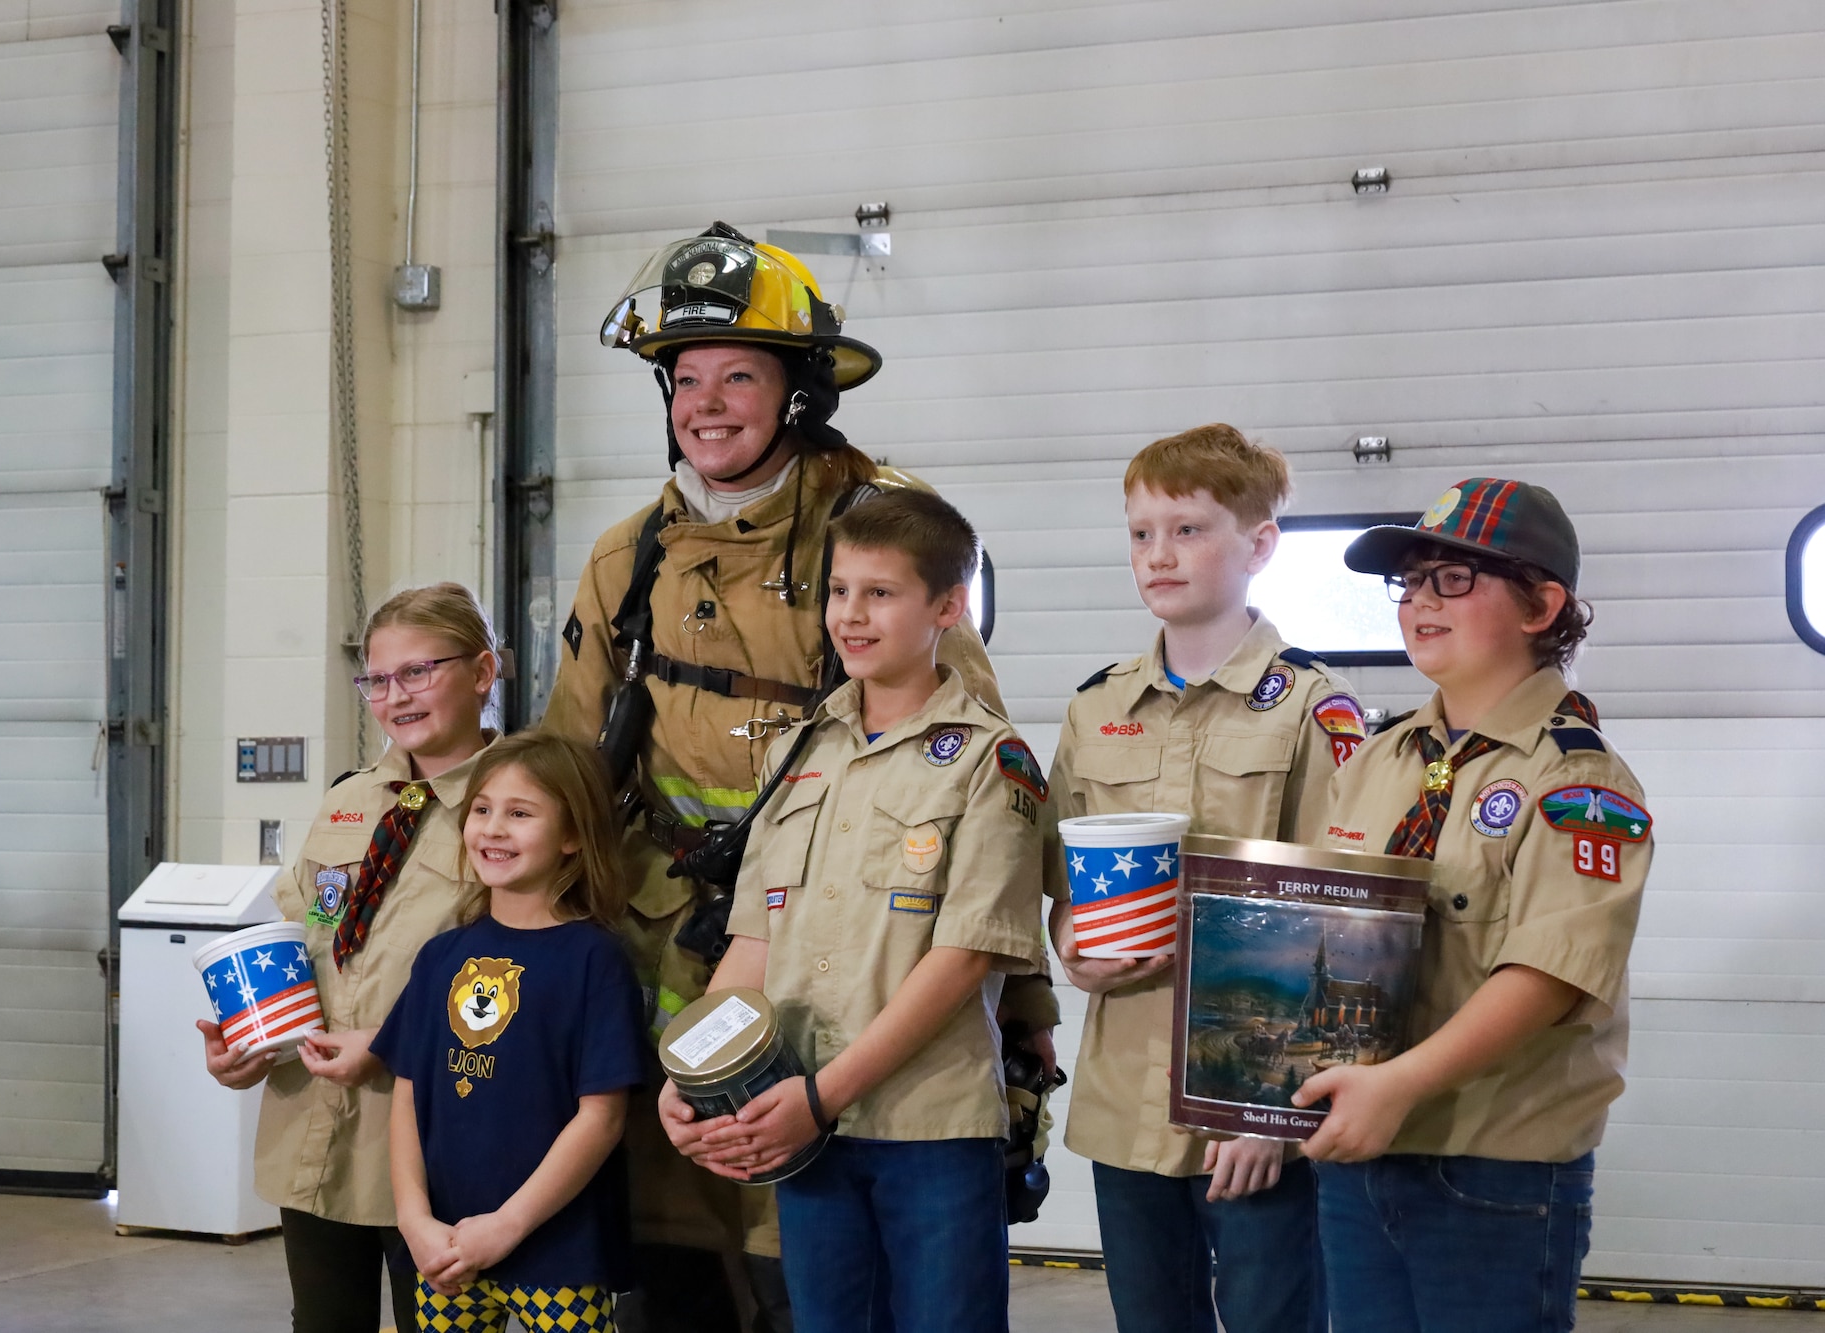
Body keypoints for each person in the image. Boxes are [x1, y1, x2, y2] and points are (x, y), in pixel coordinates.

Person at [546, 222, 1049, 1331]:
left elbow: (975, 788)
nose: (707, 402)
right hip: (673, 957)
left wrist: (1025, 1016)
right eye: (685, 378)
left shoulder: (876, 540)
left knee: (815, 1269)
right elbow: (562, 780)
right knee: (676, 1243)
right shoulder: (625, 558)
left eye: (738, 374)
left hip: (857, 972)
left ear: (798, 393)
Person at [661, 490, 1046, 1332]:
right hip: (807, 1131)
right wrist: (689, 1077)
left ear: (948, 606)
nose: (851, 615)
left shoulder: (991, 761)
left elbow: (964, 958)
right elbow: (756, 941)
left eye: (881, 592)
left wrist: (822, 1095)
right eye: (839, 590)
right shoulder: (803, 750)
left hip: (929, 1134)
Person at [1295, 478, 1652, 1332]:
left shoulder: (1576, 778)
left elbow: (1551, 973)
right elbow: (1322, 928)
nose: (1419, 600)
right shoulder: (1379, 760)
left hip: (1492, 1166)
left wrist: (1400, 1083)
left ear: (1541, 605)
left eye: (1453, 578)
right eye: (1409, 581)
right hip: (1362, 1149)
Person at [1043, 425, 1348, 1333]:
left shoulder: (1309, 707)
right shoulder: (1099, 707)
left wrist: (1270, 1113)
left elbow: (1337, 918)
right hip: (1125, 1096)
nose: (1158, 554)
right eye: (1141, 533)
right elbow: (1065, 888)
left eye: (1187, 529)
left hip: (1249, 1106)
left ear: (1258, 545)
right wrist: (1074, 951)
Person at [198, 583, 501, 1333]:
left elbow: (527, 975)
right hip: (318, 1127)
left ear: (484, 671)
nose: (396, 696)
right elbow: (306, 931)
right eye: (377, 679)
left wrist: (396, 1042)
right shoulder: (349, 803)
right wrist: (252, 1040)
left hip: (438, 1134)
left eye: (420, 671)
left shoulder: (515, 802)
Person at [373, 731, 645, 1332]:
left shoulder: (594, 961)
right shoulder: (441, 957)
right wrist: (415, 1221)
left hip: (560, 1254)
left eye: (520, 813)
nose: (493, 829)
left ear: (572, 836)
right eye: (482, 809)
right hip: (445, 1251)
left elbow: (601, 1118)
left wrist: (508, 1225)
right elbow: (408, 1098)